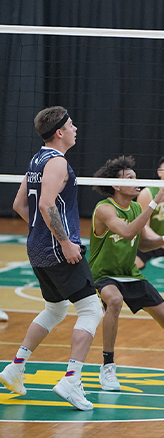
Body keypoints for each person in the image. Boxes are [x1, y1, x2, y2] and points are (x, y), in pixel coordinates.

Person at [1, 106, 103, 410]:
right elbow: (45, 204)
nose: (75, 129)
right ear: (59, 131)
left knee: (55, 309)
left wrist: (39, 234)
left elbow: (21, 204)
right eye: (71, 125)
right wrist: (64, 241)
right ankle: (72, 379)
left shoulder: (37, 159)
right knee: (92, 310)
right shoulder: (57, 162)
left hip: (37, 248)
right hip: (59, 250)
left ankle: (15, 368)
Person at [89, 155, 164, 392]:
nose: (136, 180)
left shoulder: (134, 208)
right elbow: (128, 233)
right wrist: (154, 203)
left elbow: (142, 245)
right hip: (103, 274)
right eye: (129, 178)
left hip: (130, 274)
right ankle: (107, 367)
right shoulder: (104, 209)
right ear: (116, 185)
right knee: (114, 300)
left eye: (135, 176)